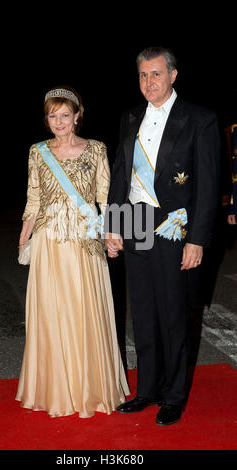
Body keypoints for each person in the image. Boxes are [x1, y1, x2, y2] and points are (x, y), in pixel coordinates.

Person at [105, 47, 220, 425]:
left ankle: (173, 395)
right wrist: (114, 227)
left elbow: (207, 185)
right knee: (143, 311)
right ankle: (148, 389)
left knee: (173, 312)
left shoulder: (199, 119)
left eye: (155, 74)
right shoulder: (130, 117)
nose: (148, 83)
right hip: (135, 219)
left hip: (174, 224)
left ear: (172, 75)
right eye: (142, 75)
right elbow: (121, 175)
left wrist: (197, 239)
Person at [16, 85, 129, 418]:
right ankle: (55, 389)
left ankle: (90, 388)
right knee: (52, 312)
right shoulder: (38, 151)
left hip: (84, 238)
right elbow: (33, 198)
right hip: (50, 240)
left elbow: (106, 198)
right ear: (47, 118)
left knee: (85, 308)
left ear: (78, 116)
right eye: (53, 115)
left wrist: (113, 233)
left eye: (65, 114)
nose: (59, 121)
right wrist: (25, 233)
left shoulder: (96, 149)